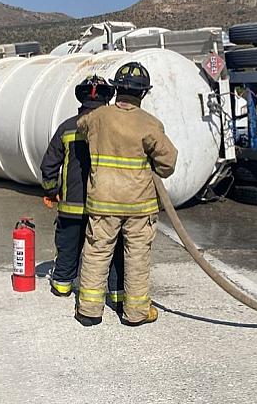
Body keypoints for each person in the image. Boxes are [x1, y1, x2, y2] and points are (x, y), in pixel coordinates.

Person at [75, 62, 177, 327]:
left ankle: (89, 311)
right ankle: (136, 313)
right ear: (143, 93)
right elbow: (168, 163)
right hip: (139, 206)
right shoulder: (150, 123)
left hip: (103, 202)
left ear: (116, 89)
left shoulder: (98, 117)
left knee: (97, 253)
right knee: (137, 257)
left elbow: (81, 127)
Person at [40, 75, 125, 310]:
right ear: (107, 98)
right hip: (107, 207)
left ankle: (62, 285)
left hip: (72, 208)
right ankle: (117, 294)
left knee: (68, 247)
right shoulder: (116, 128)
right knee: (112, 250)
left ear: (81, 98)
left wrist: (52, 190)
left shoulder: (67, 127)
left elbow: (49, 165)